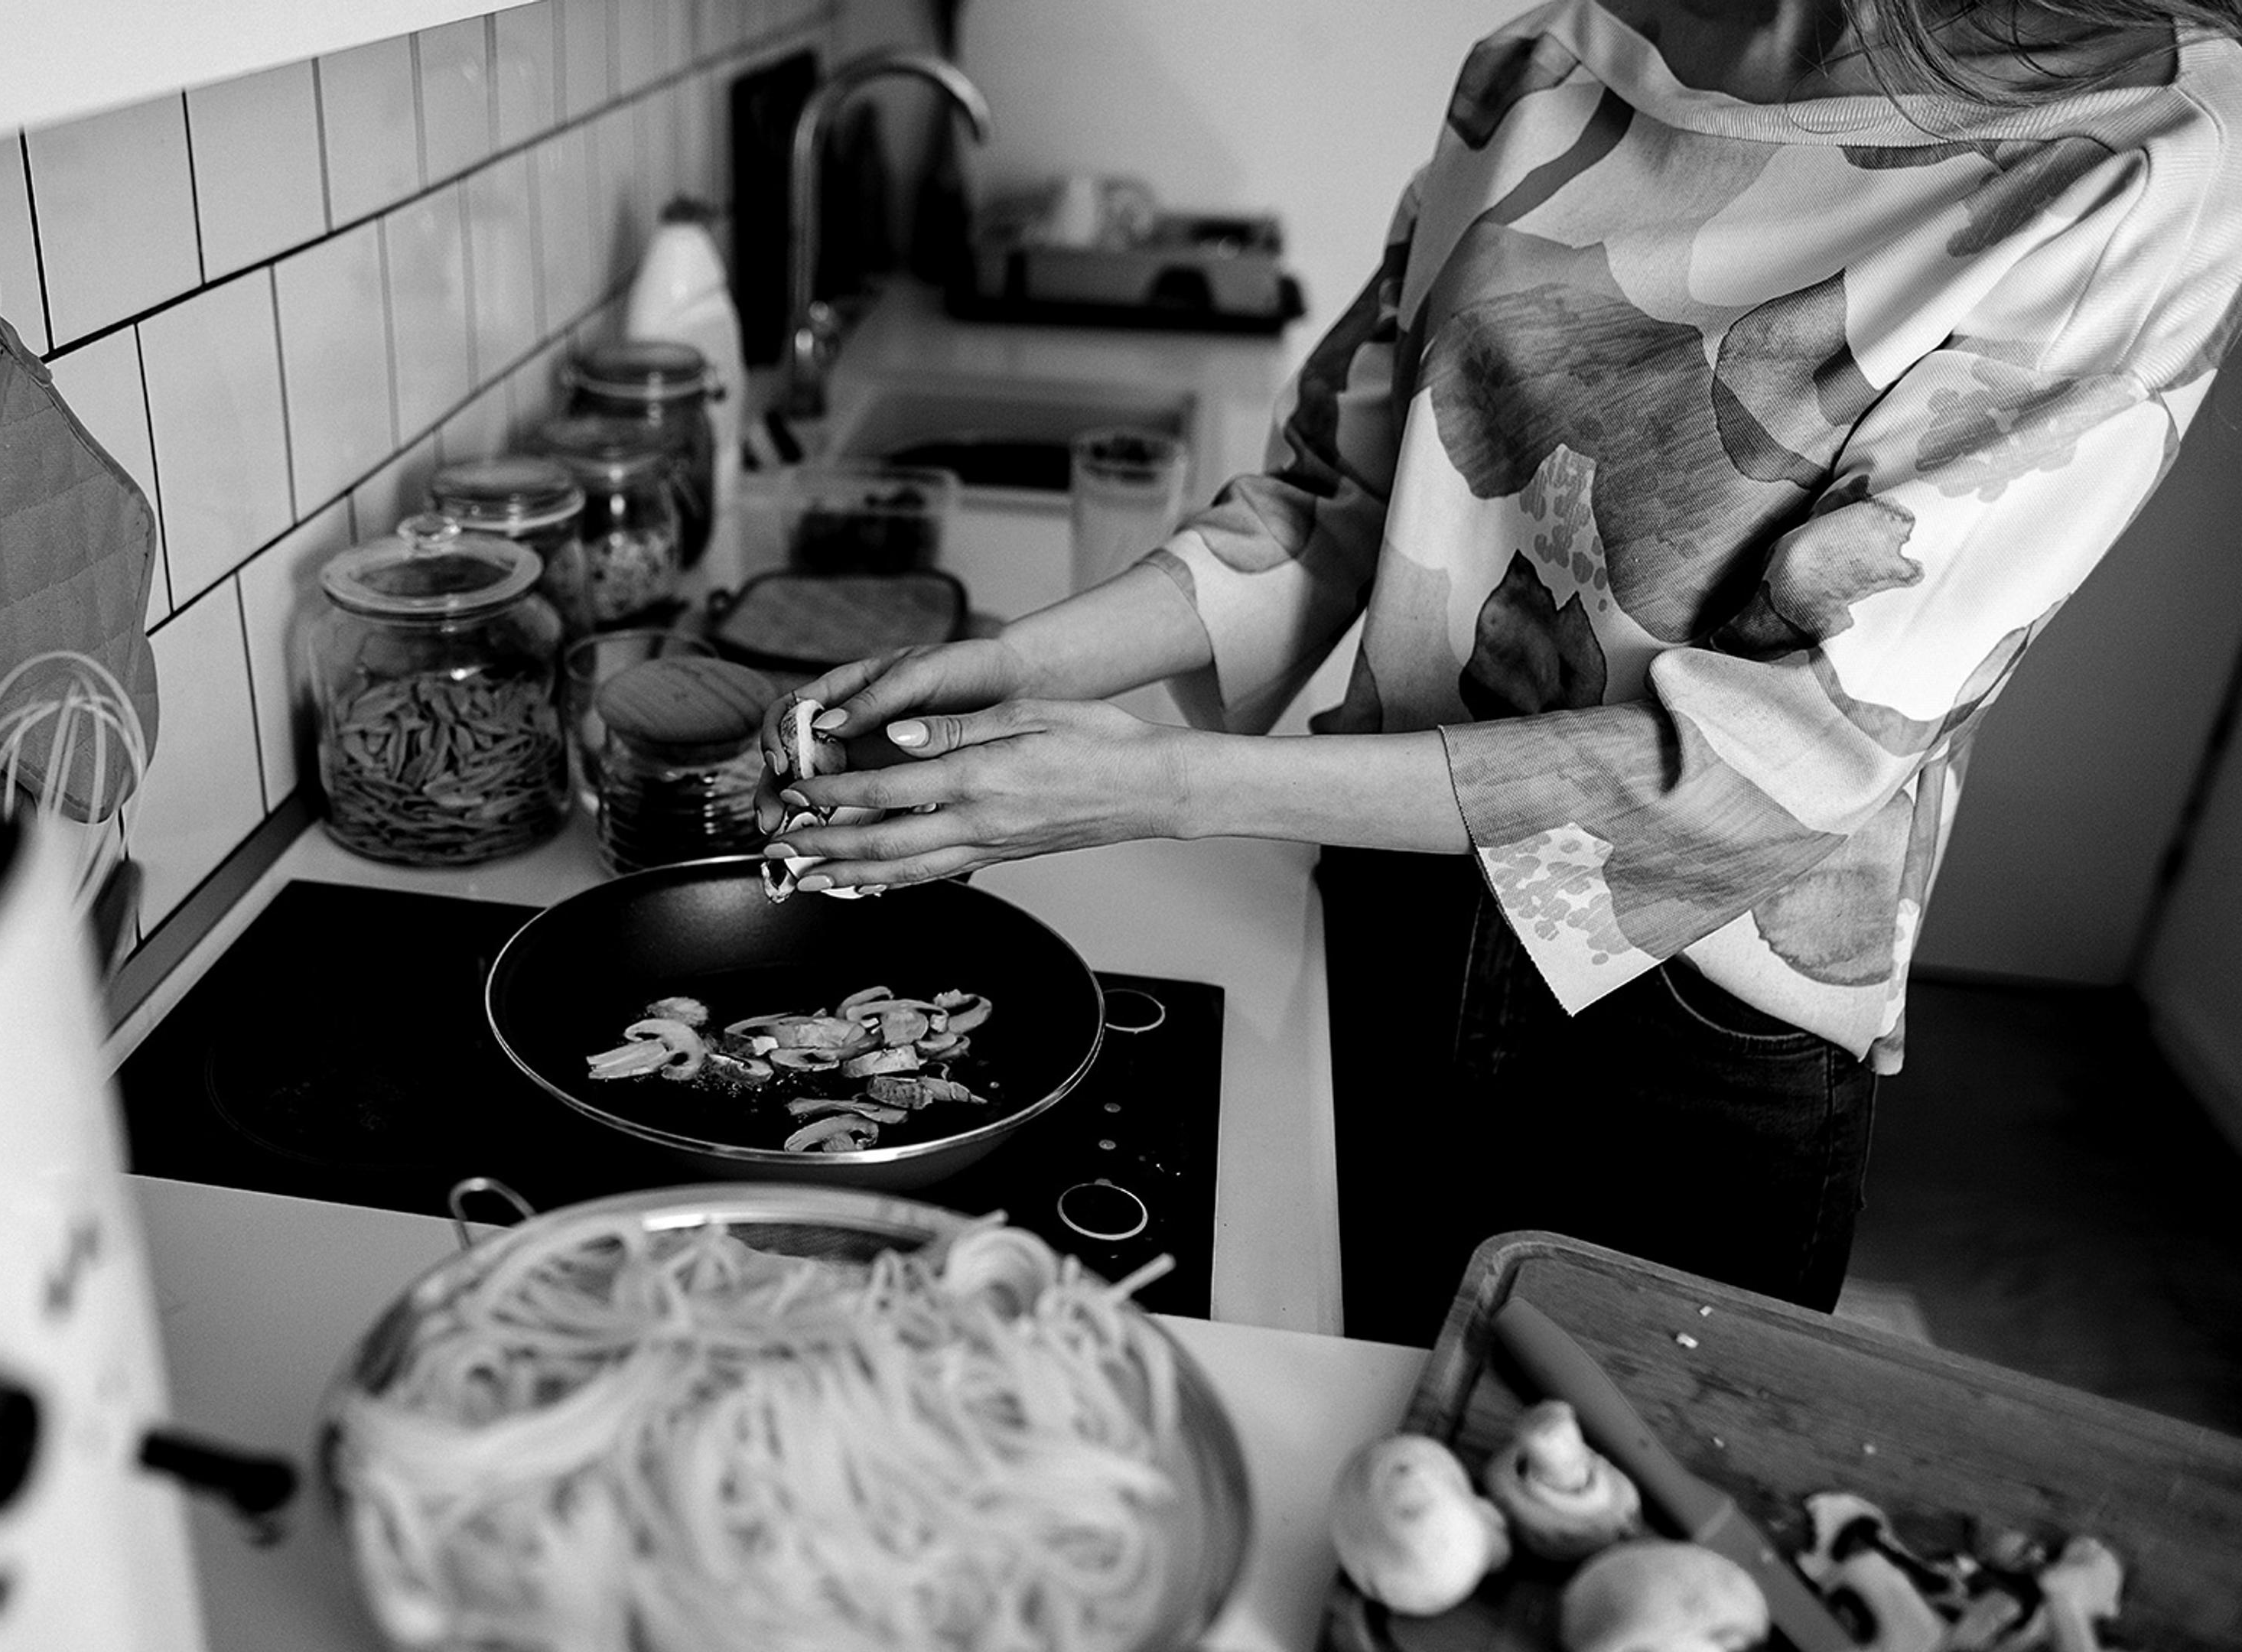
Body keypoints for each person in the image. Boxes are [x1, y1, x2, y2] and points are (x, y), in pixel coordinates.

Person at [754, 0, 2242, 1345]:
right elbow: (1330, 494)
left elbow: (1777, 753)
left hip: (1688, 1016)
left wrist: (1157, 784)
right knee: (1342, 1426)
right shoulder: (1551, 63)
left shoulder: (2151, 154)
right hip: (1387, 904)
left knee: (1587, 1538)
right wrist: (998, 662)